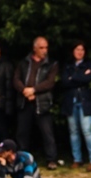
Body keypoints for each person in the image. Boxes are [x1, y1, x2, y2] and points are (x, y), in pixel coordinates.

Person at [13, 36, 59, 170]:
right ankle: (23, 160)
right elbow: (16, 79)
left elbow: (50, 82)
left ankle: (51, 159)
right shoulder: (24, 63)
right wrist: (25, 91)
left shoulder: (52, 64)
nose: (44, 50)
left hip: (42, 103)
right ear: (34, 48)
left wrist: (33, 90)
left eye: (46, 47)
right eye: (41, 48)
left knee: (47, 132)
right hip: (24, 101)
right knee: (22, 133)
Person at [60, 41, 91, 171]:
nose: (80, 52)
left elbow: (88, 79)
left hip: (85, 101)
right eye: (77, 49)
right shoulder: (67, 65)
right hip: (71, 101)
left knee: (87, 130)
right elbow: (64, 82)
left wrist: (73, 78)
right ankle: (77, 159)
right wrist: (79, 77)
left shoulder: (89, 64)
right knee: (73, 132)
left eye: (82, 49)